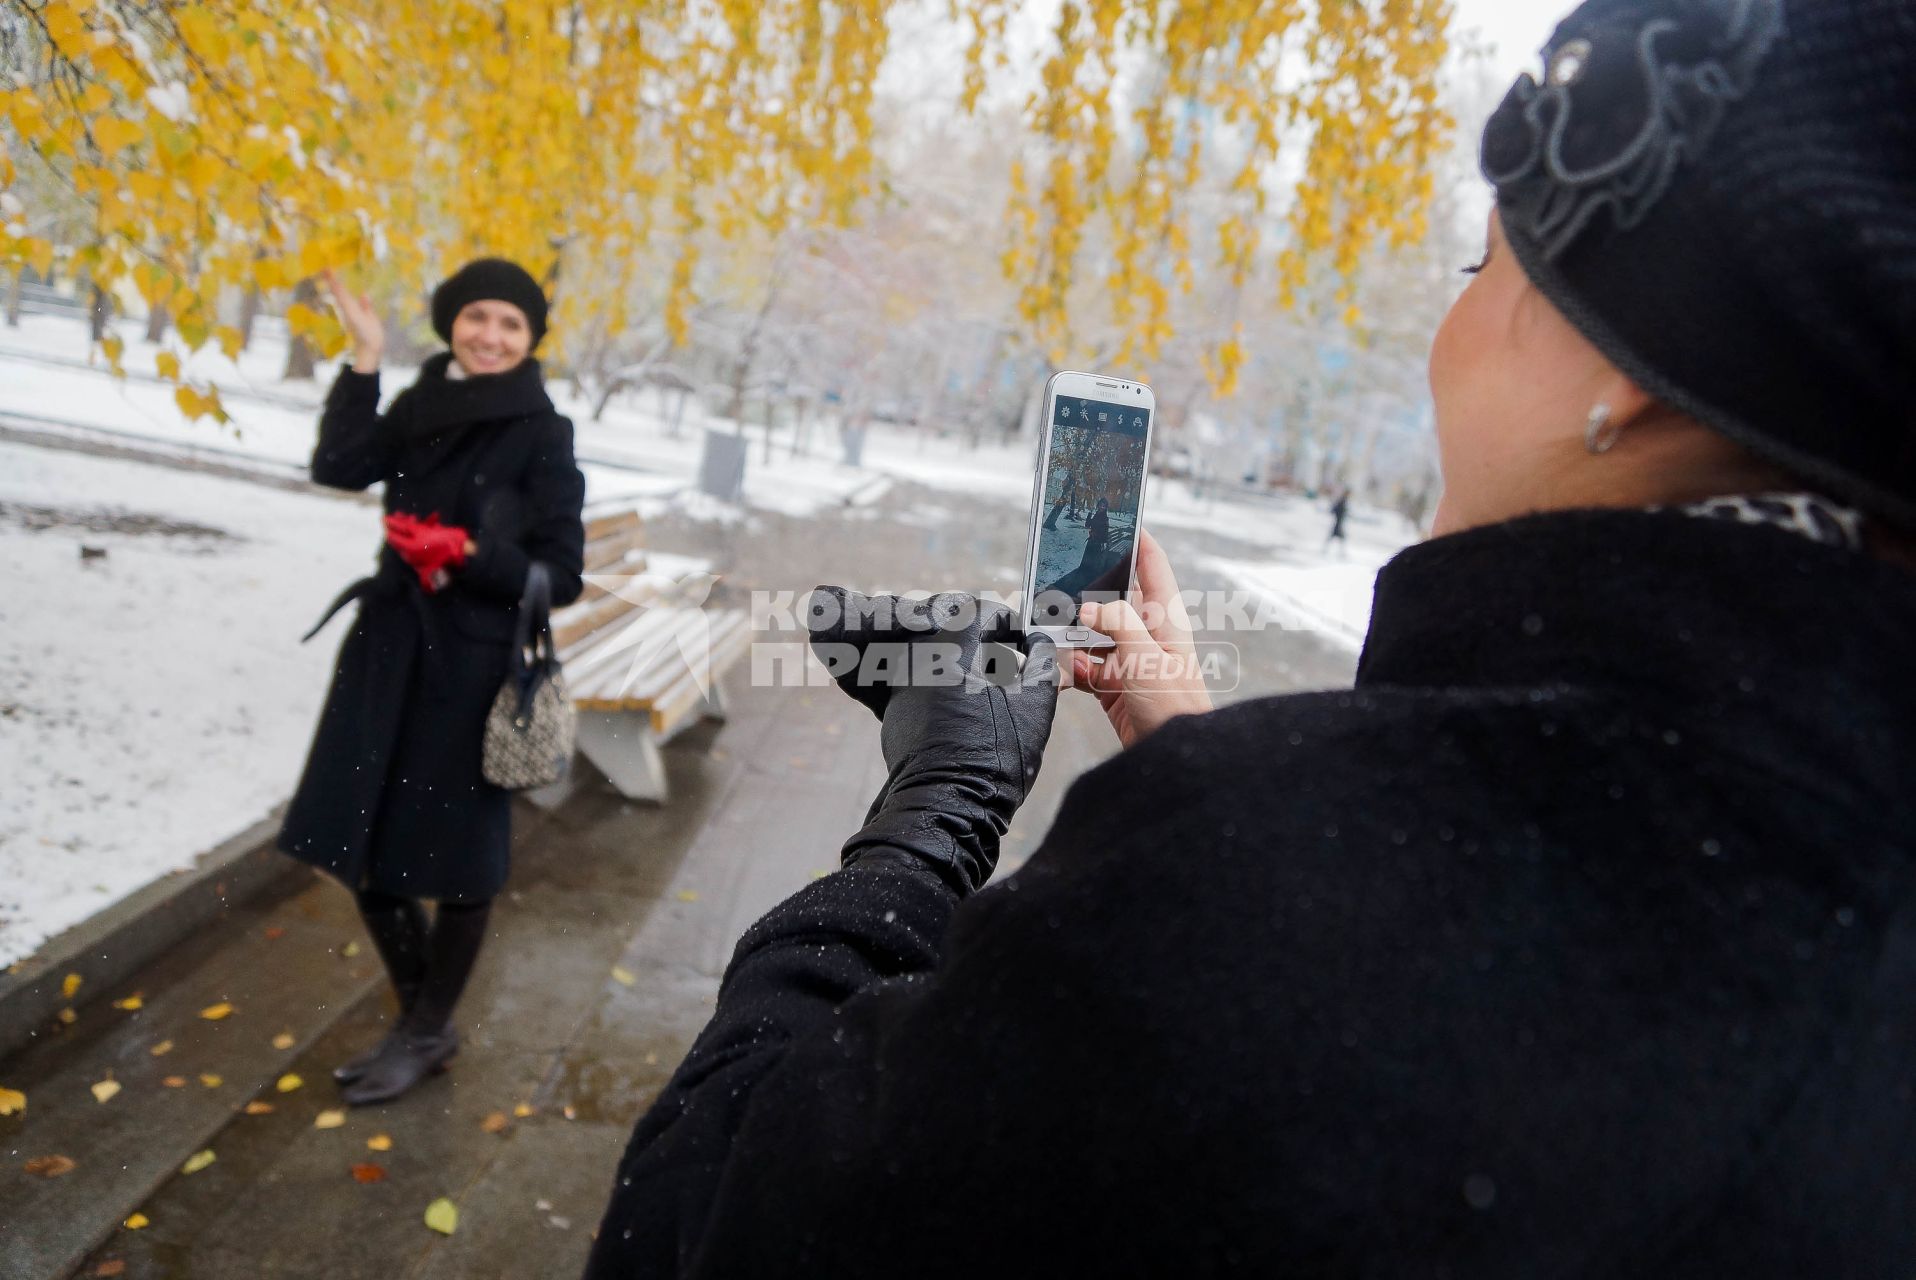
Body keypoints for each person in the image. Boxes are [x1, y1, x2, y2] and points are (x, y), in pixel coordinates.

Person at [587, 0, 1916, 1273]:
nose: (1447, 337)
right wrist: (1209, 759)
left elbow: (699, 1223)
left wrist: (938, 807)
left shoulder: (1297, 907)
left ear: (1631, 357)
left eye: (1483, 266)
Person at [278, 258, 585, 1106]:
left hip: (470, 668)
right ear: (454, 322)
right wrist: (365, 355)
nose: (491, 334)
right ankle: (428, 1022)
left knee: (458, 863)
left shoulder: (541, 430)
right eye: (478, 316)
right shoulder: (418, 403)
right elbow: (340, 463)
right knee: (359, 841)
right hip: (387, 650)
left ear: (529, 341)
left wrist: (470, 554)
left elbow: (561, 573)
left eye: (511, 324)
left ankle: (422, 1027)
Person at [1323, 486, 1350, 556]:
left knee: (1337, 538)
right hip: (1338, 523)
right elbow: (1335, 510)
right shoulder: (1342, 501)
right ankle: (1340, 552)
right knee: (1337, 538)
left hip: (1339, 523)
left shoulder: (1343, 501)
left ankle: (1327, 550)